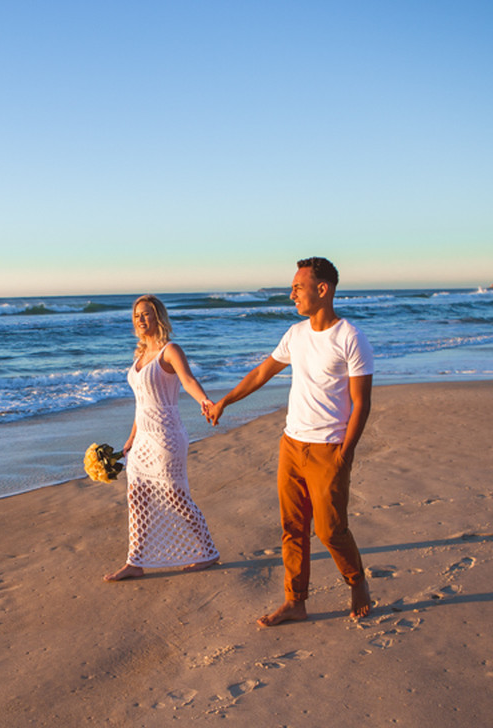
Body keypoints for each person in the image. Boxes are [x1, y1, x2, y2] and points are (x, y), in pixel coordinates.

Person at [204, 258, 374, 625]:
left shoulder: (350, 337)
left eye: (299, 287)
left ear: (322, 289)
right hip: (291, 444)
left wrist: (345, 453)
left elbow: (362, 402)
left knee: (330, 530)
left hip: (329, 447)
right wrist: (225, 402)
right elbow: (263, 372)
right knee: (292, 528)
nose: (292, 293)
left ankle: (357, 580)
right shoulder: (295, 334)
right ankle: (295, 601)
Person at [104, 295, 221, 582]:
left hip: (167, 435)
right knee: (136, 496)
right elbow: (141, 403)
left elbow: (188, 380)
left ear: (159, 317)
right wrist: (131, 438)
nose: (140, 320)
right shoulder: (139, 357)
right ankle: (136, 560)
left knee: (175, 494)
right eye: (136, 316)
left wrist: (205, 401)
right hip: (142, 437)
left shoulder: (169, 351)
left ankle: (208, 550)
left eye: (146, 314)